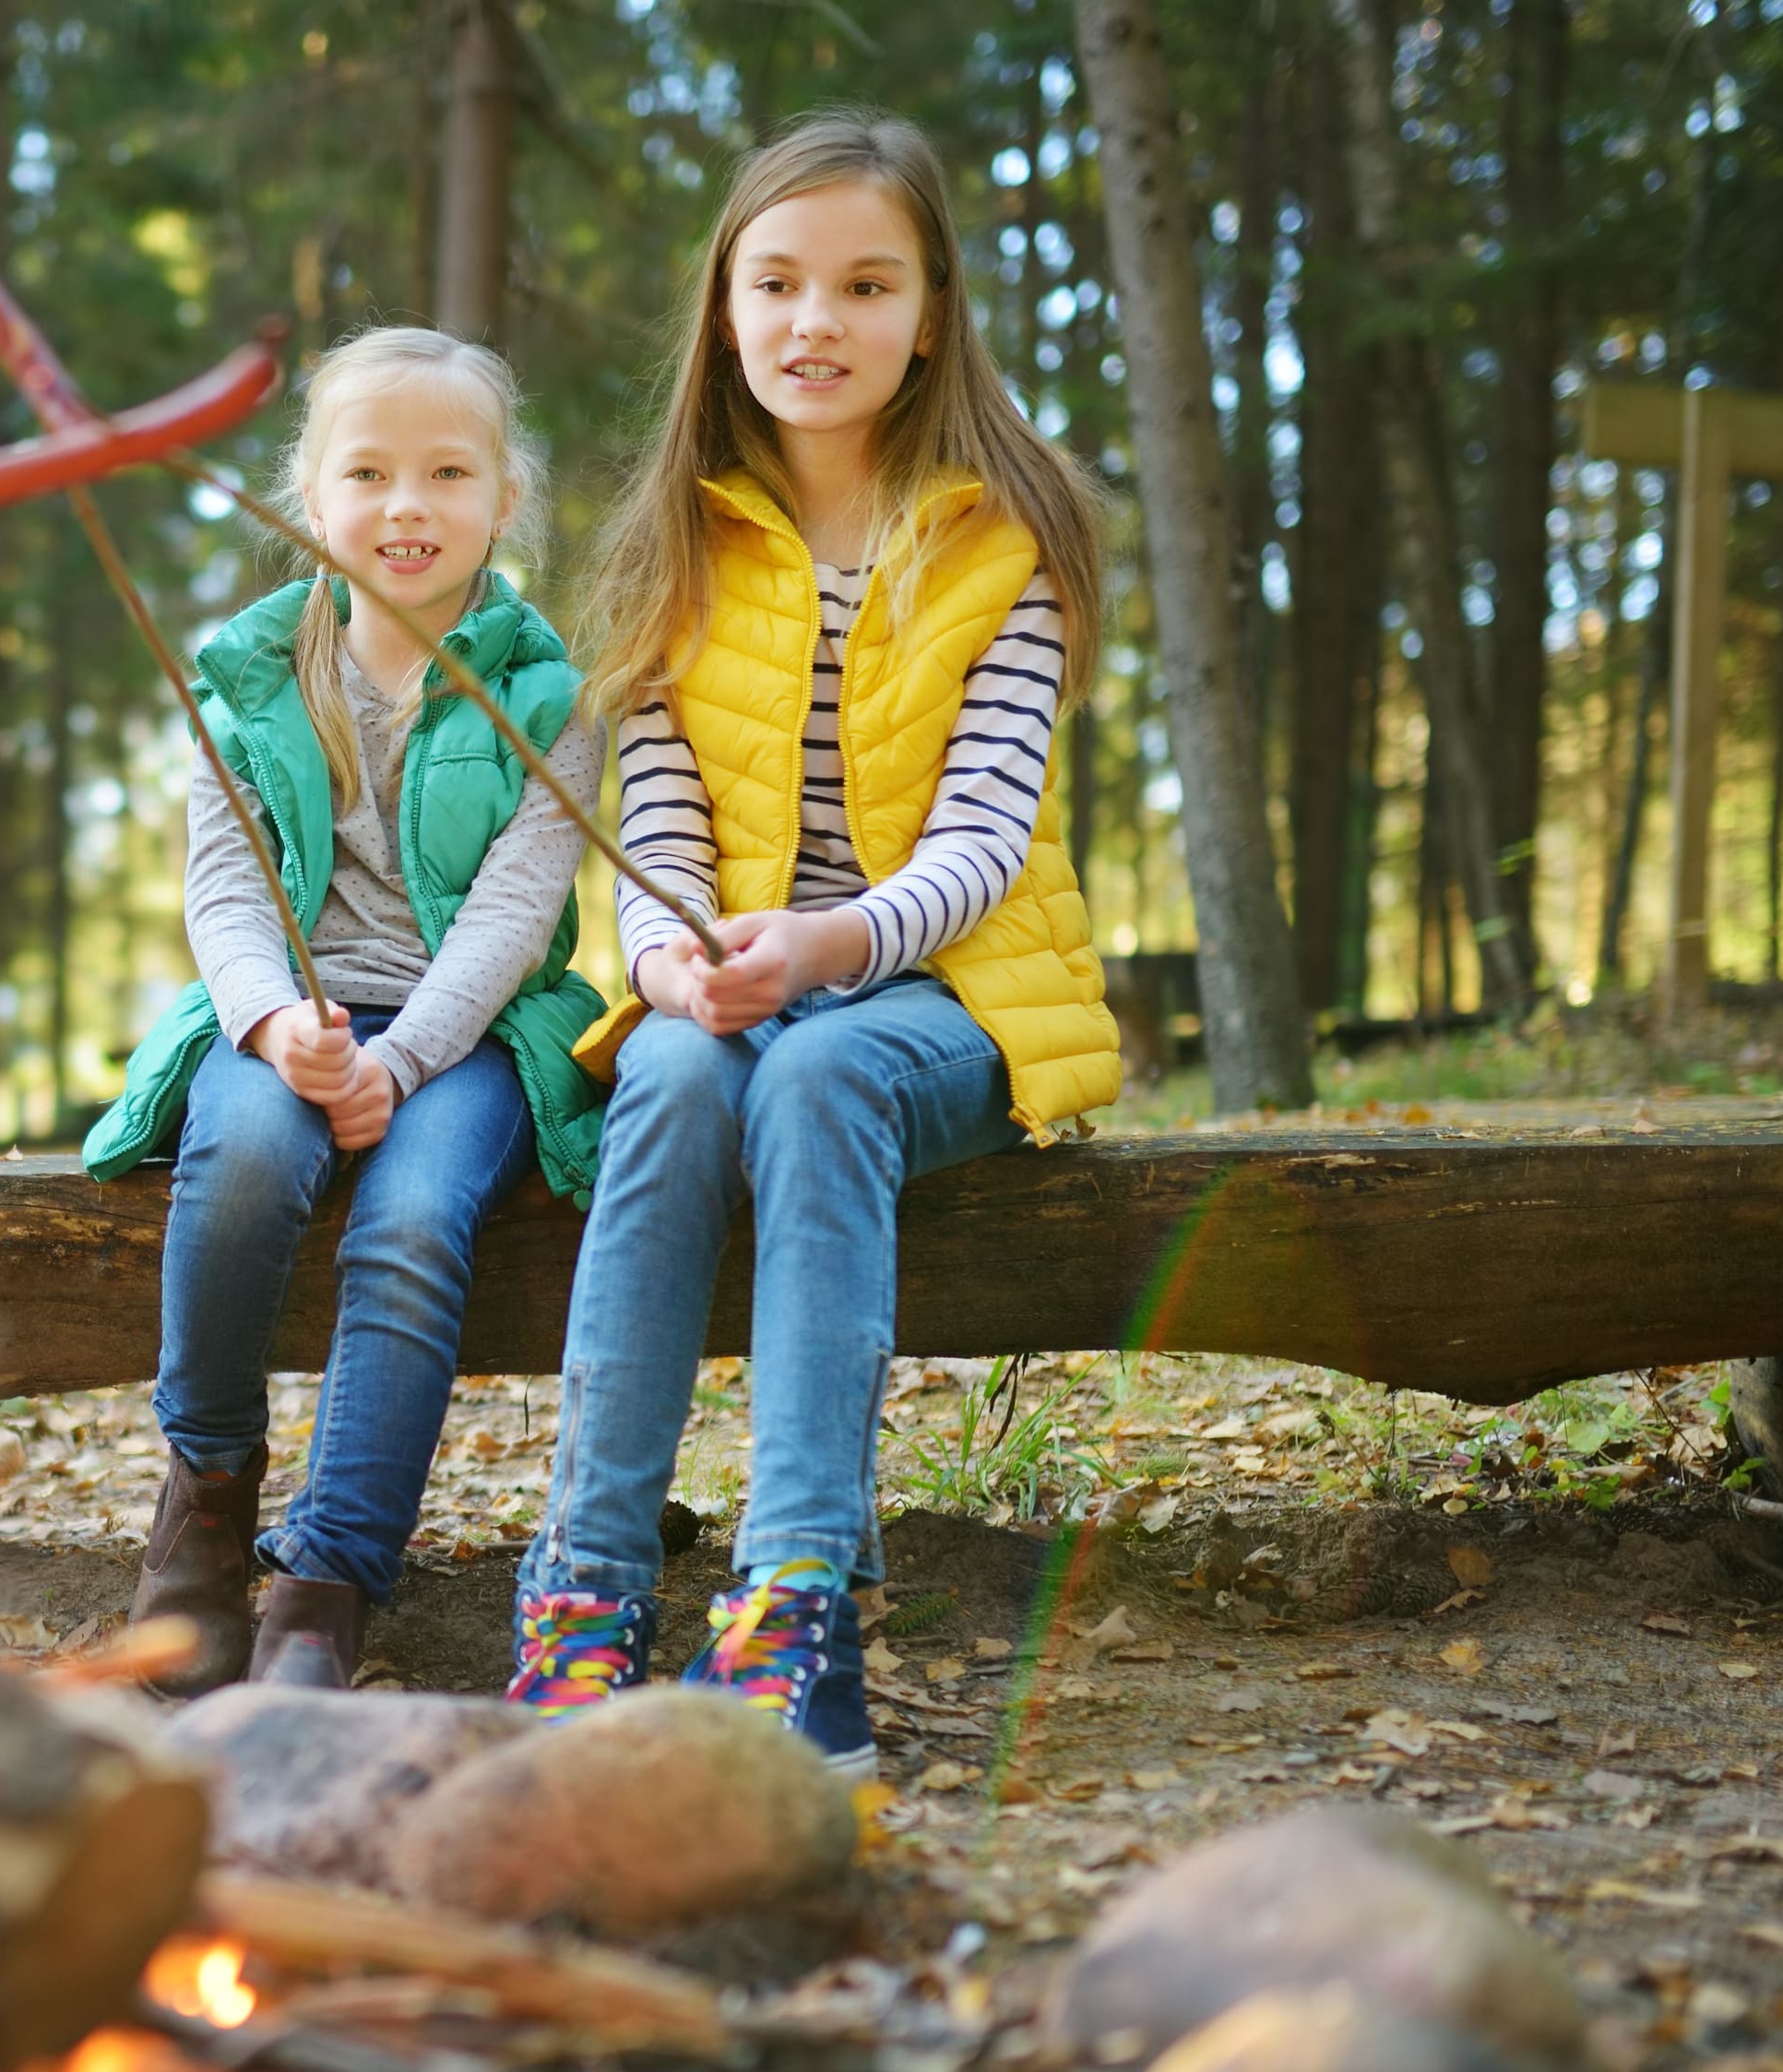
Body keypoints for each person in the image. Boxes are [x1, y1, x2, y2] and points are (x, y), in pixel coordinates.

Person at [508, 112, 1121, 1767]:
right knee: (678, 1083)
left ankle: (798, 1615)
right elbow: (651, 831)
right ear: (723, 307)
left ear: (929, 314)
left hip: (951, 998)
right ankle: (582, 1594)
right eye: (774, 282)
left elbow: (985, 841)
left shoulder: (1004, 534)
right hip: (738, 981)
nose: (813, 322)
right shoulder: (671, 546)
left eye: (863, 285)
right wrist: (664, 962)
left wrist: (832, 945)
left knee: (816, 1081)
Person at [81, 325, 609, 1694]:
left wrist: (410, 1056)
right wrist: (271, 1028)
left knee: (415, 1220)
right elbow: (223, 896)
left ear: (503, 499)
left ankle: (328, 1579)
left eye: (446, 473)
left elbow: (511, 913)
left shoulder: (552, 693)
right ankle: (202, 1496)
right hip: (286, 1020)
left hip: (470, 1036)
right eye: (366, 473)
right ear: (311, 499)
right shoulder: (250, 679)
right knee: (247, 1152)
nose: (405, 506)